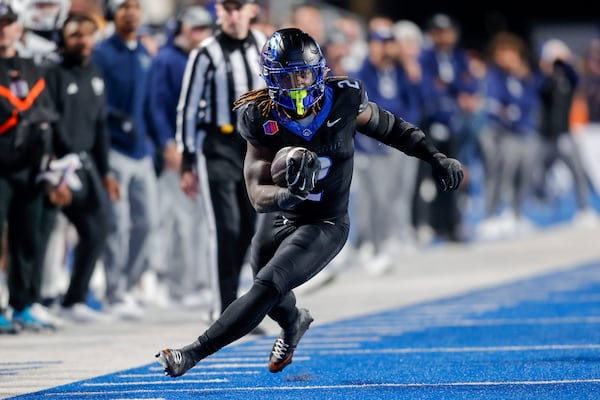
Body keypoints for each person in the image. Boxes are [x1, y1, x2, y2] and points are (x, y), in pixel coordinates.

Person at [156, 27, 463, 378]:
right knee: (272, 294)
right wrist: (287, 193)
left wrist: (435, 156)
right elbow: (257, 195)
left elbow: (392, 128)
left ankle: (193, 353)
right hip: (280, 216)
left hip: (325, 222)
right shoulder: (259, 115)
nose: (299, 84)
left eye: (304, 73)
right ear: (271, 78)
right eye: (288, 77)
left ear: (319, 72)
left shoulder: (345, 97)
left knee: (267, 285)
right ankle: (295, 323)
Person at [176, 0, 266, 320]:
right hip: (217, 145)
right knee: (225, 228)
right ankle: (223, 308)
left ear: (251, 9)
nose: (233, 14)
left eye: (238, 7)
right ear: (218, 12)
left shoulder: (262, 45)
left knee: (250, 228)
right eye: (226, 8)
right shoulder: (206, 52)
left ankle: (237, 301)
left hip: (254, 146)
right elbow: (187, 107)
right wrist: (187, 159)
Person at [41, 12, 119, 322]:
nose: (83, 40)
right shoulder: (52, 73)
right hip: (56, 165)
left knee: (98, 227)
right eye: (75, 34)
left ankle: (74, 300)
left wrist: (106, 172)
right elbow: (47, 123)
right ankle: (34, 299)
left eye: (88, 34)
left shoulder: (95, 73)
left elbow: (100, 127)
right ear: (62, 39)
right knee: (43, 233)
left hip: (85, 165)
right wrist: (51, 170)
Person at [0, 1, 66, 333]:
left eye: (7, 23)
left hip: (29, 166)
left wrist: (52, 164)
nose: (3, 29)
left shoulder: (31, 67)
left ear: (18, 27)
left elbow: (48, 116)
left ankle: (23, 304)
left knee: (29, 237)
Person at [91, 0, 159, 319]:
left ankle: (129, 285)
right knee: (117, 224)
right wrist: (116, 120)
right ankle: (115, 292)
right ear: (113, 14)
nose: (130, 12)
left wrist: (162, 143)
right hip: (115, 150)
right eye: (123, 7)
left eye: (135, 6)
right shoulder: (102, 53)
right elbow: (95, 104)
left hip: (141, 152)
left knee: (147, 222)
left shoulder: (142, 53)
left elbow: (150, 105)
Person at [148, 5, 214, 306]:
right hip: (178, 149)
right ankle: (173, 285)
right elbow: (157, 106)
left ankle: (197, 282)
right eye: (195, 29)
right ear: (183, 29)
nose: (200, 35)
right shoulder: (166, 59)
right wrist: (167, 143)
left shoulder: (203, 59)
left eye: (205, 29)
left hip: (201, 147)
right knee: (176, 221)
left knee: (201, 221)